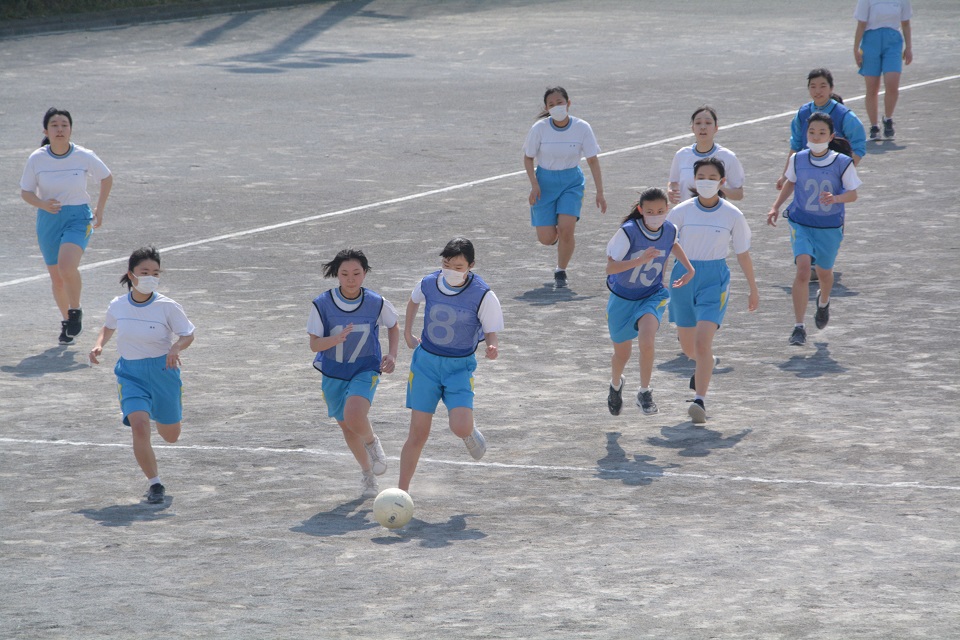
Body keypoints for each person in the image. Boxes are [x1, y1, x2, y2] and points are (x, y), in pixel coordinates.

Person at [89, 247, 195, 505]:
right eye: (145, 272)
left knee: (171, 436)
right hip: (130, 374)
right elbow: (108, 326)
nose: (151, 276)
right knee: (139, 426)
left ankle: (161, 411)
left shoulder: (167, 307)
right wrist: (99, 344)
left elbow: (188, 334)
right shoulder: (118, 304)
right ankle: (155, 483)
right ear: (131, 275)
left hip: (163, 372)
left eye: (155, 272)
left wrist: (175, 347)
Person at [400, 238, 504, 493]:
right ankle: (401, 491)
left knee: (459, 427)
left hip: (459, 366)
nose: (451, 271)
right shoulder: (428, 282)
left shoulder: (483, 294)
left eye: (458, 266)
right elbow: (414, 300)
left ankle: (469, 431)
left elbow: (491, 328)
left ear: (471, 265)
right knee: (418, 433)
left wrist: (492, 345)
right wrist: (407, 331)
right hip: (426, 364)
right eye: (447, 264)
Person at [666, 158, 759, 425]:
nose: (706, 181)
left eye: (712, 177)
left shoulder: (733, 215)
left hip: (714, 280)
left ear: (722, 182)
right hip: (682, 278)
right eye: (701, 176)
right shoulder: (680, 212)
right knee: (688, 348)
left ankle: (700, 401)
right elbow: (664, 248)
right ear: (694, 181)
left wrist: (753, 288)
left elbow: (743, 254)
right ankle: (709, 361)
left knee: (701, 342)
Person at [308, 249, 400, 499]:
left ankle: (372, 443)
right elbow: (314, 345)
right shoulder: (322, 304)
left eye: (357, 273)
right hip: (333, 373)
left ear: (365, 274)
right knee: (348, 429)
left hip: (365, 368)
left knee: (355, 414)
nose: (351, 279)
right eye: (345, 274)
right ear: (336, 275)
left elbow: (393, 325)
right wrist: (335, 339)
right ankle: (367, 475)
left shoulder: (376, 302)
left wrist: (392, 355)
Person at [20, 107, 113, 345]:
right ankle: (67, 321)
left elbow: (106, 177)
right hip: (48, 219)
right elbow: (26, 192)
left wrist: (100, 210)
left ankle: (75, 310)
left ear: (71, 129)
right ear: (46, 130)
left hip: (78, 217)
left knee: (66, 266)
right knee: (57, 278)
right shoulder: (37, 158)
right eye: (54, 125)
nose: (59, 129)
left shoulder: (84, 155)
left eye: (64, 125)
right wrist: (42, 203)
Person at [767, 113, 862, 346]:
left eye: (821, 133)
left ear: (831, 136)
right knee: (802, 271)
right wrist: (776, 206)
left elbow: (853, 194)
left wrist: (836, 198)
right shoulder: (798, 159)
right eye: (811, 132)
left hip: (829, 227)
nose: (816, 136)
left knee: (824, 274)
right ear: (805, 134)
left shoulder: (842, 162)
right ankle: (799, 327)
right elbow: (790, 182)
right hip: (801, 222)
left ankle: (823, 301)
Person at [606, 188, 695, 416]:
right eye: (650, 211)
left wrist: (689, 268)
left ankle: (644, 391)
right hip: (622, 299)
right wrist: (639, 260)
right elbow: (611, 267)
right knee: (622, 355)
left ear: (667, 210)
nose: (656, 215)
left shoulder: (670, 229)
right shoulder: (627, 233)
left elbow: (673, 243)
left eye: (661, 211)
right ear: (641, 210)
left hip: (652, 294)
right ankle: (616, 385)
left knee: (647, 340)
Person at [523, 86, 607, 289]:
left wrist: (600, 192)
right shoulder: (539, 129)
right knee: (546, 238)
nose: (556, 107)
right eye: (551, 104)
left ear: (568, 103)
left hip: (571, 182)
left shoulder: (582, 127)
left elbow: (593, 160)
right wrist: (534, 185)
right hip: (545, 183)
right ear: (546, 108)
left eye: (560, 103)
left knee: (567, 229)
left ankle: (561, 270)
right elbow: (528, 157)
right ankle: (556, 237)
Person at [777, 68, 866, 192]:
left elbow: (859, 146)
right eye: (813, 86)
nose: (817, 91)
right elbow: (795, 145)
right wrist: (785, 175)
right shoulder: (802, 114)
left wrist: (843, 174)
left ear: (831, 88)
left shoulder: (845, 115)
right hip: (807, 176)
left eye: (823, 86)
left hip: (832, 178)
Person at [854, 0, 913, 140]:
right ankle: (874, 125)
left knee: (892, 83)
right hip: (870, 42)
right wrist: (856, 48)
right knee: (872, 87)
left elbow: (905, 23)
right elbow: (861, 24)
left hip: (893, 42)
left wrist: (909, 47)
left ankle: (888, 119)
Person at [668, 106, 745, 204]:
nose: (703, 127)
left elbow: (739, 194)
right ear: (693, 128)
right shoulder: (681, 155)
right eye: (698, 123)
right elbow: (673, 182)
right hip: (686, 215)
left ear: (716, 128)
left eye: (708, 123)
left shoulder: (728, 157)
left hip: (715, 215)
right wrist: (671, 190)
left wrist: (719, 188)